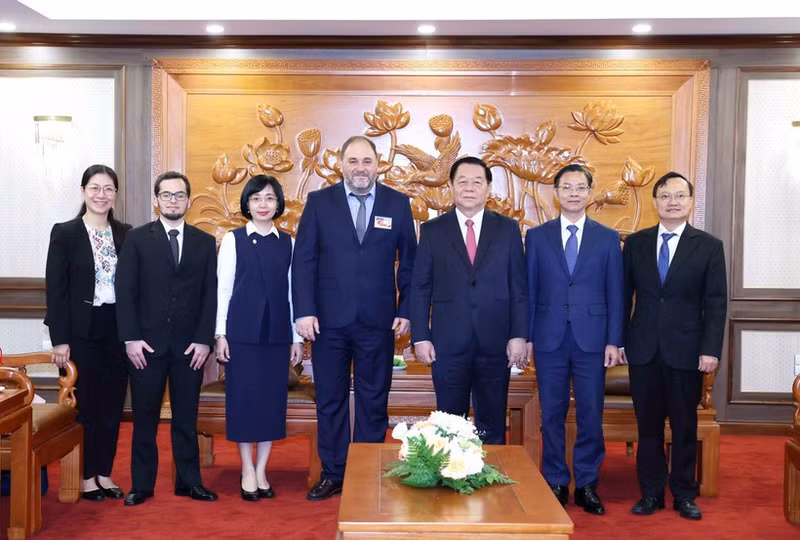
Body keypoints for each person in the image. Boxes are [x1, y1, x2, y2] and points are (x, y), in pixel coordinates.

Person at [292, 135, 417, 501]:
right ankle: (333, 473)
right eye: (353, 161)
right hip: (328, 321)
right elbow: (304, 260)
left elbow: (410, 264)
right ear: (341, 165)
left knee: (373, 399)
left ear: (378, 165)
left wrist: (406, 309)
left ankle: (366, 472)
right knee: (329, 399)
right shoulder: (319, 203)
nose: (360, 168)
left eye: (366, 161)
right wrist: (304, 310)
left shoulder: (398, 203)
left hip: (379, 321)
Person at [622, 172, 727, 520]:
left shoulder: (709, 246)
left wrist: (711, 349)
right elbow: (622, 296)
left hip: (687, 350)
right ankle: (651, 493)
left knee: (684, 426)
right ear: (655, 201)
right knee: (648, 428)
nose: (673, 202)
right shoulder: (636, 243)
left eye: (680, 196)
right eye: (665, 196)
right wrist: (619, 341)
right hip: (644, 350)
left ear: (691, 202)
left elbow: (716, 302)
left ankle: (684, 493)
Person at [525, 164, 623, 514]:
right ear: (556, 193)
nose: (573, 193)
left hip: (592, 340)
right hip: (548, 338)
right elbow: (529, 291)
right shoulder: (536, 237)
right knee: (551, 413)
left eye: (580, 187)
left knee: (590, 413)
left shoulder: (607, 238)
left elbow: (616, 293)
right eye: (567, 187)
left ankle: (586, 484)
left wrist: (614, 340)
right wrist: (527, 337)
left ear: (590, 193)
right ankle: (554, 480)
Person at [115, 171, 218, 506]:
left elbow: (210, 295)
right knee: (144, 419)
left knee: (186, 419)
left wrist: (204, 340)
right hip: (145, 346)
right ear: (156, 199)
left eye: (179, 195)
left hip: (190, 348)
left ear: (189, 200)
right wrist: (131, 338)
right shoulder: (137, 239)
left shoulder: (204, 242)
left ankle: (190, 482)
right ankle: (141, 485)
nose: (173, 200)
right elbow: (125, 291)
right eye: (167, 195)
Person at [409, 156, 528, 443]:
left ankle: (492, 469)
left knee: (492, 422)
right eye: (462, 181)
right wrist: (420, 337)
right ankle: (452, 469)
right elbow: (420, 287)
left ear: (488, 188)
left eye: (477, 182)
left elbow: (519, 287)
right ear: (450, 186)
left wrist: (519, 335)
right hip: (448, 343)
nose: (469, 187)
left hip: (495, 342)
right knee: (449, 424)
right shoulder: (433, 230)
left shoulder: (508, 229)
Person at [214, 175, 304, 501]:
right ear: (247, 204)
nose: (263, 204)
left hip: (276, 337)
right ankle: (246, 469)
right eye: (256, 199)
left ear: (278, 203)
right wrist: (220, 333)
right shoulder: (233, 240)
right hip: (242, 336)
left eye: (269, 198)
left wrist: (296, 337)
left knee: (270, 405)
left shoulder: (288, 242)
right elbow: (223, 290)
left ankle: (262, 469)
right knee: (244, 402)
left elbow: (294, 294)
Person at [44, 164, 130, 501]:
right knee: (86, 406)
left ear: (115, 195)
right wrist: (60, 340)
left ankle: (104, 472)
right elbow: (56, 290)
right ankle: (84, 476)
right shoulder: (65, 233)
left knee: (111, 405)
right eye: (95, 188)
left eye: (108, 189)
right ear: (83, 191)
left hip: (116, 328)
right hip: (80, 330)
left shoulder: (125, 233)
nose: (101, 195)